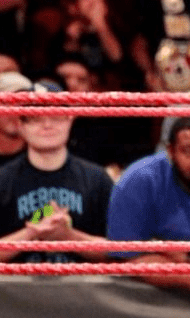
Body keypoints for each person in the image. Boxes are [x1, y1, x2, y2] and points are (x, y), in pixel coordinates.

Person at [107, 117, 190, 311]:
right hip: (152, 305)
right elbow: (128, 258)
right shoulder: (140, 180)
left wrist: (188, 258)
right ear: (171, 151)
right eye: (189, 151)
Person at [0, 79, 114, 263]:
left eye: (56, 115)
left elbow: (119, 253)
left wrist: (69, 236)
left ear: (70, 119)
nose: (47, 125)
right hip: (17, 282)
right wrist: (31, 233)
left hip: (84, 282)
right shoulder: (3, 179)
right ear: (20, 125)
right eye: (35, 117)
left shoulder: (97, 179)